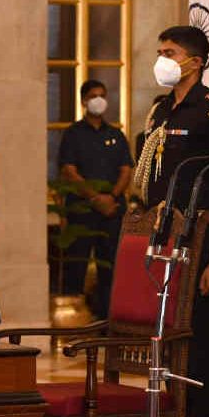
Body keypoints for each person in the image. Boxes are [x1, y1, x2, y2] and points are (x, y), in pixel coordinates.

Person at [134, 25, 209, 417]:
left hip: (198, 241)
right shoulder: (161, 110)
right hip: (161, 243)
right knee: (164, 342)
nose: (162, 59)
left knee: (200, 348)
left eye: (171, 52)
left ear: (195, 62)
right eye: (160, 50)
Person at [58, 79, 132, 319]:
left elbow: (126, 169)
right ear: (84, 101)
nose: (99, 100)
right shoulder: (73, 134)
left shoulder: (116, 134)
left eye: (102, 95)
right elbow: (69, 171)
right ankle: (73, 322)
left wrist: (111, 197)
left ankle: (107, 321)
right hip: (82, 210)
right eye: (93, 96)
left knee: (110, 267)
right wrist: (94, 198)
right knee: (76, 265)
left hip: (112, 211)